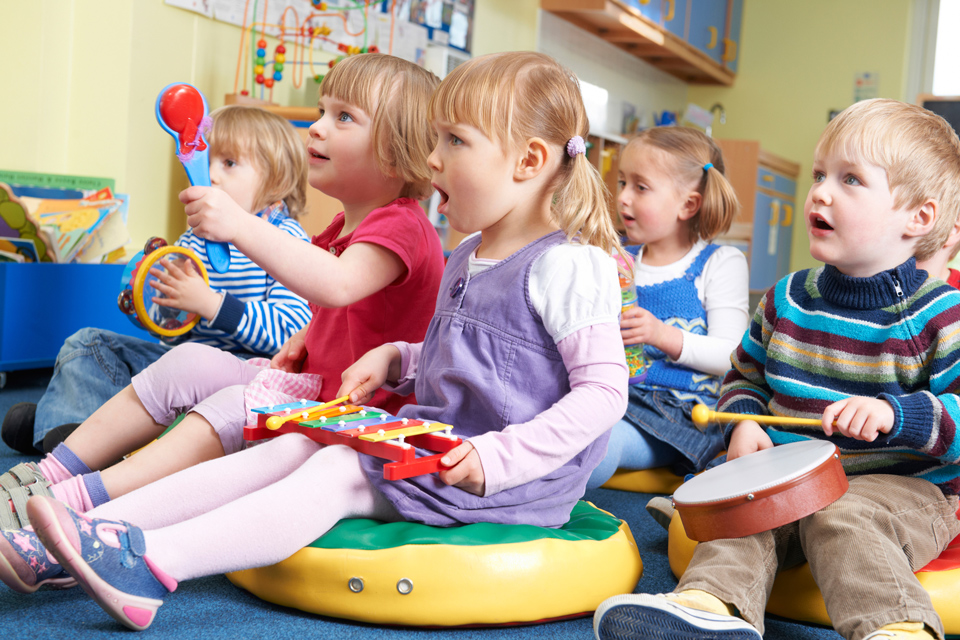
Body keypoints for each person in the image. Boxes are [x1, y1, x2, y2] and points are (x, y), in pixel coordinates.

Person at [0, 50, 628, 632]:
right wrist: (398, 358)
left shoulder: (571, 265)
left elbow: (602, 394)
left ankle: (152, 564)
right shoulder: (469, 253)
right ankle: (89, 534)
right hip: (434, 439)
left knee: (334, 468)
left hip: (503, 475)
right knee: (297, 445)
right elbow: (467, 354)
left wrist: (498, 462)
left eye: (455, 142)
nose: (432, 159)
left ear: (530, 161)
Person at [0, 53, 445, 531]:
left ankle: (78, 503)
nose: (317, 128)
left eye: (343, 117)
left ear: (398, 150)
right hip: (317, 391)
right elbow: (342, 308)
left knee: (234, 405)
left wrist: (237, 225)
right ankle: (45, 475)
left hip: (361, 419)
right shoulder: (341, 225)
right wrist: (306, 338)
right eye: (320, 111)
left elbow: (337, 285)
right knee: (189, 360)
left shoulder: (403, 225)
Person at [593, 98, 960, 640]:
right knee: (747, 512)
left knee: (845, 516)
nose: (820, 191)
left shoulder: (940, 314)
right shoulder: (786, 298)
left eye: (851, 179)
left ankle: (896, 629)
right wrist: (744, 421)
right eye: (820, 174)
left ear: (918, 218)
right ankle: (710, 610)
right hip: (792, 478)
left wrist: (893, 414)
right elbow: (745, 376)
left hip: (902, 490)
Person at [1, 105, 313, 456]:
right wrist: (159, 310)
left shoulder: (287, 240)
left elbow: (290, 335)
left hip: (240, 378)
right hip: (179, 366)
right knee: (88, 343)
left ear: (277, 180)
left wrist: (211, 304)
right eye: (206, 160)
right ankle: (66, 428)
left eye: (228, 163)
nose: (210, 173)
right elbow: (175, 330)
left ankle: (67, 431)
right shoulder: (195, 238)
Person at [585, 127, 747, 496]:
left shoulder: (718, 262)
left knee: (595, 443)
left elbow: (733, 356)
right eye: (623, 182)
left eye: (640, 187)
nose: (622, 197)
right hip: (615, 395)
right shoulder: (621, 259)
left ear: (688, 205)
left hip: (680, 412)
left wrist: (662, 335)